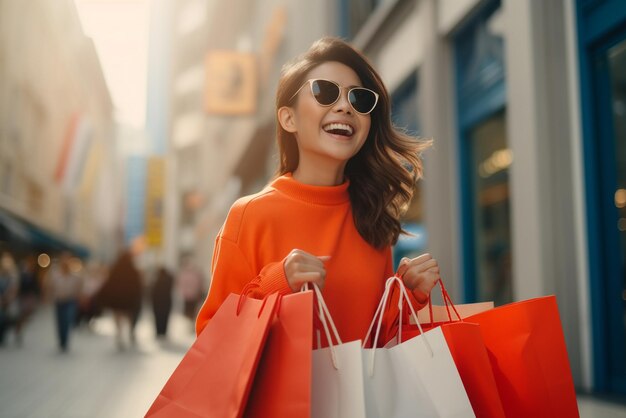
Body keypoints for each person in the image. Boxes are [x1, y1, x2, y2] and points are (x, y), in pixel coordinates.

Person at [195, 37, 440, 347]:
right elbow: (212, 341)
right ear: (289, 118)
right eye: (324, 92)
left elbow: (377, 344)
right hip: (283, 397)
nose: (345, 107)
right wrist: (277, 282)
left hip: (359, 397)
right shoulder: (249, 215)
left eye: (359, 100)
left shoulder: (371, 215)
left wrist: (407, 294)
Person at [94, 249, 143, 350]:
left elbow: (109, 284)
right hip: (129, 300)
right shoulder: (132, 270)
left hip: (118, 300)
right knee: (129, 317)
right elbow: (138, 286)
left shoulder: (115, 269)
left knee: (118, 317)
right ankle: (130, 332)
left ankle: (120, 335)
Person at [46, 252, 82, 352]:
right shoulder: (55, 274)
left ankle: (65, 341)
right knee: (60, 321)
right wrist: (48, 297)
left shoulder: (75, 275)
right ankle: (61, 340)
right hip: (59, 300)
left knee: (67, 320)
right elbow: (50, 286)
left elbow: (79, 286)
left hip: (70, 300)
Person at [176, 257, 204, 324]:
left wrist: (182, 292)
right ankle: (190, 321)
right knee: (192, 310)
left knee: (188, 310)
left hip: (187, 295)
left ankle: (189, 321)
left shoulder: (184, 274)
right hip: (194, 295)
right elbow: (199, 283)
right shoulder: (196, 274)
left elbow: (180, 284)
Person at [151, 265, 174, 338]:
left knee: (158, 317)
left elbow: (153, 292)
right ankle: (164, 331)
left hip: (157, 302)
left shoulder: (157, 280)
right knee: (165, 317)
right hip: (166, 302)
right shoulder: (169, 279)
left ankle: (158, 331)